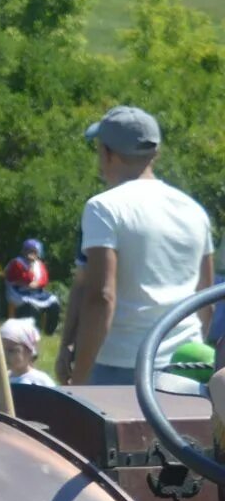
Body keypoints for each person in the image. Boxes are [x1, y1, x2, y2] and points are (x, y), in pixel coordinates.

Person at [66, 107, 215, 385]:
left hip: (121, 365)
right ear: (154, 154)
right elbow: (205, 298)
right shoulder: (194, 211)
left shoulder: (104, 208)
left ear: (106, 153)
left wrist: (81, 379)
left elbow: (101, 297)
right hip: (187, 364)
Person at [2, 238, 61, 333]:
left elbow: (44, 280)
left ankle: (49, 331)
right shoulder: (17, 263)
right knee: (30, 307)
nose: (31, 253)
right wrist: (31, 266)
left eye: (34, 251)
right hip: (19, 293)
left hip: (36, 292)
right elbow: (26, 278)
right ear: (24, 251)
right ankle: (29, 332)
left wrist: (36, 284)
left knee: (54, 303)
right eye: (29, 250)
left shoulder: (39, 264)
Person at [0, 317, 56, 388]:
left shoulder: (40, 380)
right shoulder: (3, 379)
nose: (4, 355)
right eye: (1, 350)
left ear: (29, 351)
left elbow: (55, 398)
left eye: (11, 350)